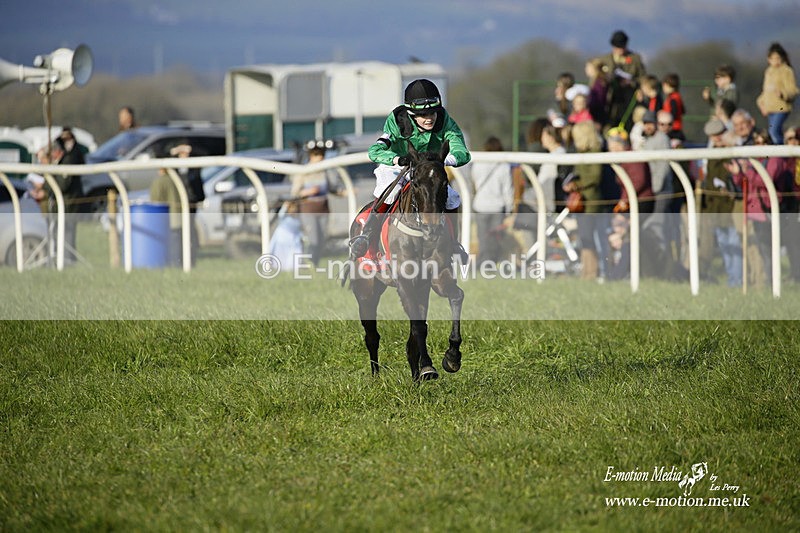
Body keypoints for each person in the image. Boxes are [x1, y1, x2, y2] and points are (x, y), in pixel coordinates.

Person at [349, 79, 471, 260]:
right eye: (423, 115)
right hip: (397, 166)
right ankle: (367, 236)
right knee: (391, 192)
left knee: (452, 198)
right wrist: (396, 158)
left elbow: (462, 152)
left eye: (433, 113)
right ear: (412, 114)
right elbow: (374, 151)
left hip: (428, 169)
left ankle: (453, 243)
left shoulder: (446, 121)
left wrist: (444, 160)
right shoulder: (398, 121)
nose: (429, 118)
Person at [701, 118, 741, 287]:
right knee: (724, 244)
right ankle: (732, 278)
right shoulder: (712, 153)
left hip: (730, 205)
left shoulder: (732, 151)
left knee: (733, 243)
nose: (716, 139)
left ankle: (737, 280)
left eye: (718, 135)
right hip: (715, 206)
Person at [149, 142, 204, 267]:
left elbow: (205, 153)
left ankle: (190, 260)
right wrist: (174, 151)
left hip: (190, 206)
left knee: (190, 235)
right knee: (177, 236)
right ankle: (178, 262)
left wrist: (190, 149)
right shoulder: (173, 166)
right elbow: (160, 154)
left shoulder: (194, 166)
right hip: (176, 207)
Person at [564, 120, 603, 280]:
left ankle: (591, 272)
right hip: (582, 204)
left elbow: (595, 176)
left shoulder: (594, 152)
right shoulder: (582, 153)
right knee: (584, 237)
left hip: (590, 203)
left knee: (588, 237)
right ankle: (586, 271)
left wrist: (577, 185)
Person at [471, 136, 513, 266]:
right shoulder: (504, 166)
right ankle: (492, 262)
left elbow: (474, 182)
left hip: (480, 205)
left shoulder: (478, 163)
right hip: (497, 207)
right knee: (496, 238)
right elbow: (508, 190)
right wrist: (510, 208)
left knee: (482, 237)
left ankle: (483, 263)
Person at [291, 140, 331, 266]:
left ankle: (315, 263)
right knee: (313, 239)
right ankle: (309, 263)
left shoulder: (325, 171)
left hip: (323, 209)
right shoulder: (303, 172)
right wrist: (308, 191)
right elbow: (295, 192)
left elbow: (333, 188)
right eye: (318, 154)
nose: (321, 157)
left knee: (322, 239)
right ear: (311, 155)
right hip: (309, 210)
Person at [601, 30, 646, 129]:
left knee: (629, 122)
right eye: (617, 48)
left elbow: (643, 77)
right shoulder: (605, 60)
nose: (620, 51)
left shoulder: (635, 59)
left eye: (622, 47)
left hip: (629, 95)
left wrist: (632, 83)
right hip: (611, 96)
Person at [756, 43, 799, 145]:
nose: (776, 61)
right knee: (775, 132)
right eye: (773, 59)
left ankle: (780, 153)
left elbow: (793, 90)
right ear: (768, 59)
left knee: (773, 131)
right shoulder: (768, 71)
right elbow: (766, 91)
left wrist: (783, 94)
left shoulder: (786, 71)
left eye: (778, 58)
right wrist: (761, 103)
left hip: (781, 108)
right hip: (770, 108)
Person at [585, 57, 610, 129]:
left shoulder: (599, 83)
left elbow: (598, 101)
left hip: (597, 116)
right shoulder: (597, 82)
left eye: (588, 67)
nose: (586, 70)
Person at [661, 73, 686, 141]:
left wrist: (665, 116)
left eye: (664, 86)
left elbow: (674, 113)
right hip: (677, 127)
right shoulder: (677, 96)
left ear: (668, 85)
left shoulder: (672, 99)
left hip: (672, 129)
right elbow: (683, 111)